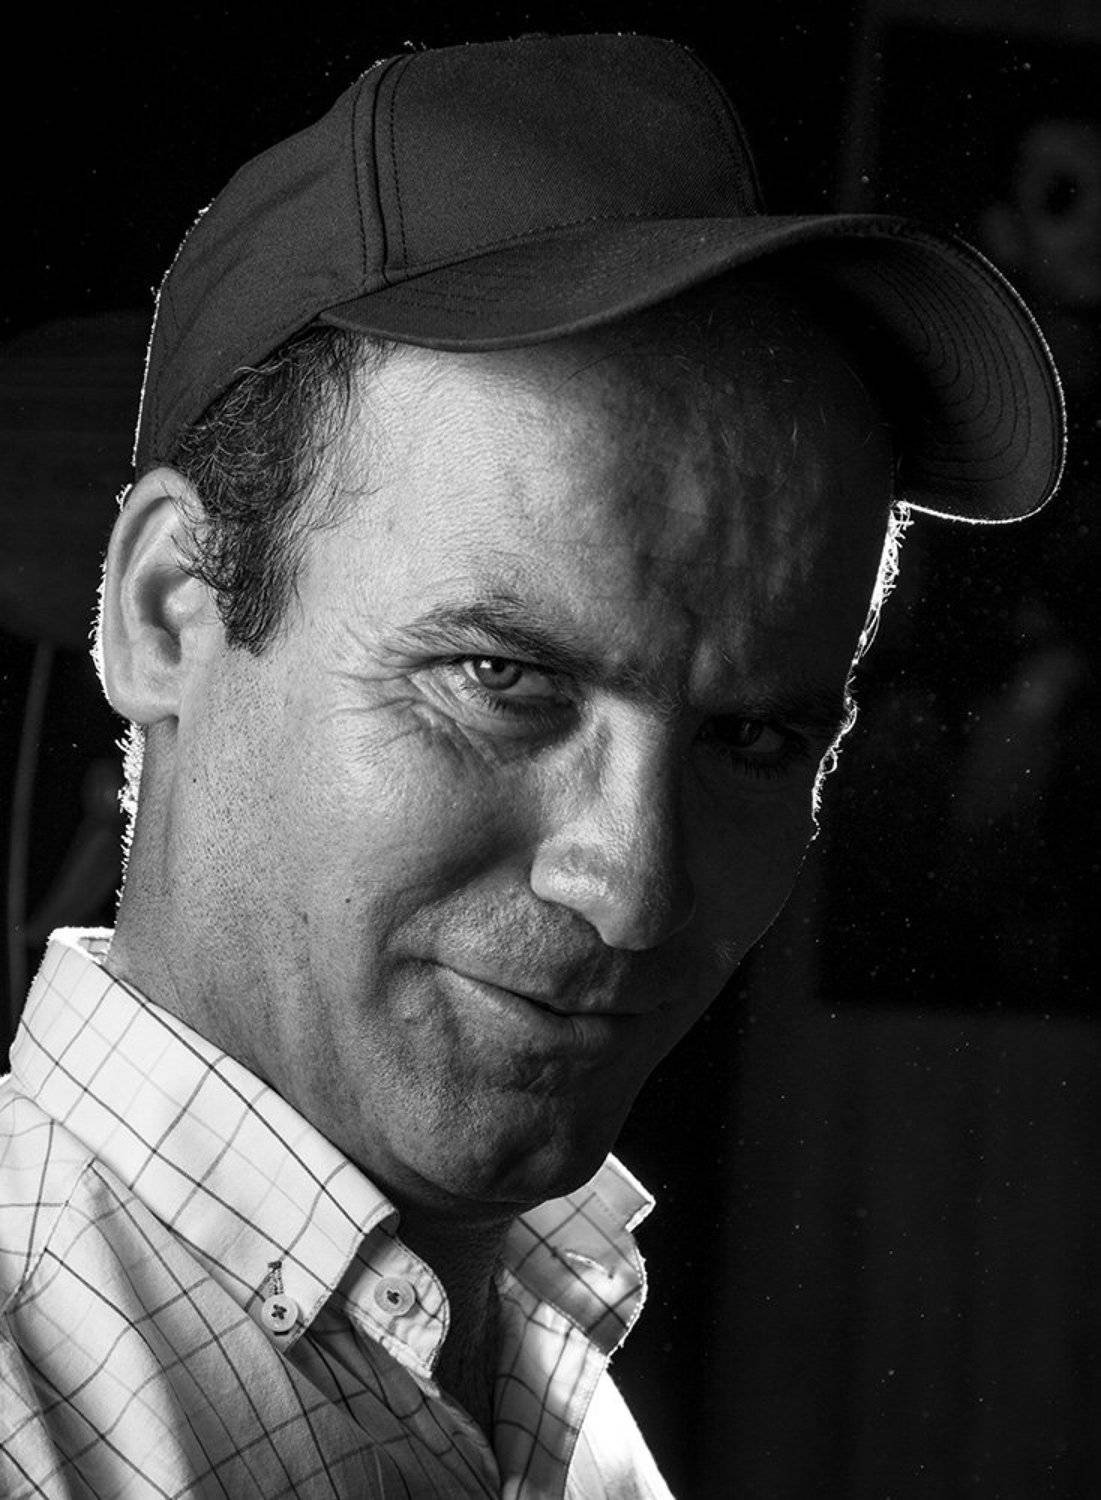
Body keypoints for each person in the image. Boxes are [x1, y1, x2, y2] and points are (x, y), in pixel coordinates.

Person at [0, 31, 1063, 1499]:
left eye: (753, 739)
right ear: (169, 612)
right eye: (502, 681)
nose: (634, 889)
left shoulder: (536, 1373)